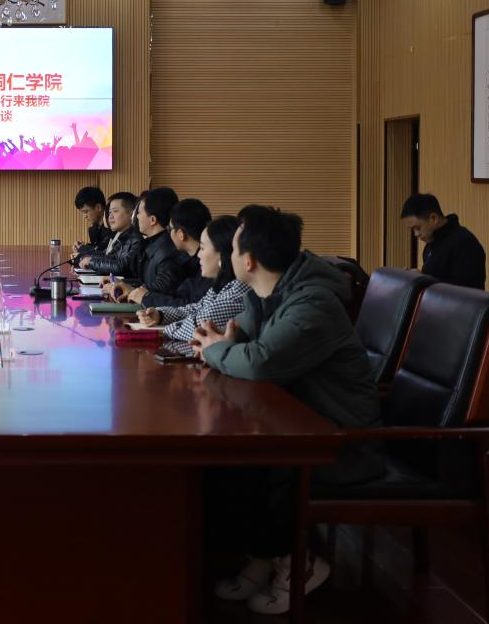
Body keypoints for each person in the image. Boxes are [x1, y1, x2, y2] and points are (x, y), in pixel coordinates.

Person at [190, 206, 383, 615]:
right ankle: (263, 555)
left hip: (340, 443)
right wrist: (219, 343)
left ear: (248, 261)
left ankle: (299, 561)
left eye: (233, 248)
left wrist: (217, 350)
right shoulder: (267, 293)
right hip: (299, 425)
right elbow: (239, 341)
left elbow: (259, 362)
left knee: (248, 464)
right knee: (223, 463)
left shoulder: (313, 302)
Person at [137, 214, 248, 340]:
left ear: (222, 254)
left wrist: (165, 330)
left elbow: (196, 326)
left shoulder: (239, 290)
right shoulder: (222, 285)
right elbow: (195, 308)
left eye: (202, 248)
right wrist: (161, 315)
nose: (199, 254)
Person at [104, 187, 183, 301]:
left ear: (152, 220)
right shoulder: (151, 243)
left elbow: (164, 288)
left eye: (139, 213)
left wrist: (131, 290)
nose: (136, 217)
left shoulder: (167, 250)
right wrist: (120, 282)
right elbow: (144, 281)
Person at [399, 193, 486, 290]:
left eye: (418, 228)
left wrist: (423, 279)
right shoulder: (430, 244)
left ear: (433, 218)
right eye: (412, 229)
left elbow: (465, 291)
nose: (416, 234)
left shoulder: (465, 243)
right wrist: (416, 278)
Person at [138, 197, 213, 308]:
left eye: (170, 229)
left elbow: (190, 306)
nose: (169, 234)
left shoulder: (208, 268)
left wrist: (146, 297)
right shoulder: (187, 261)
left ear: (181, 234)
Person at [76, 191, 142, 275]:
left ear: (132, 214)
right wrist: (84, 257)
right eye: (110, 212)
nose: (110, 216)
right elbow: (109, 257)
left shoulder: (137, 237)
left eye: (115, 211)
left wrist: (91, 261)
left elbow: (122, 267)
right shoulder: (122, 236)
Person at [71, 186, 111, 255]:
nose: (84, 216)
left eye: (85, 211)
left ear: (98, 207)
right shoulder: (93, 229)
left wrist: (83, 249)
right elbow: (98, 249)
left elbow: (105, 254)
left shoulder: (112, 228)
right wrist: (83, 246)